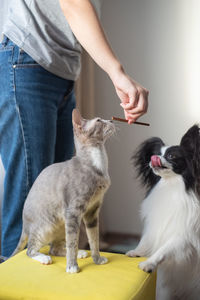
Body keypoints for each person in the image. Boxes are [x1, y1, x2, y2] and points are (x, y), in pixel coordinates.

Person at [0, 0, 149, 257]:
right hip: (27, 59)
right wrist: (117, 72)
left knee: (60, 207)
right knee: (28, 213)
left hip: (62, 72)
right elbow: (73, 3)